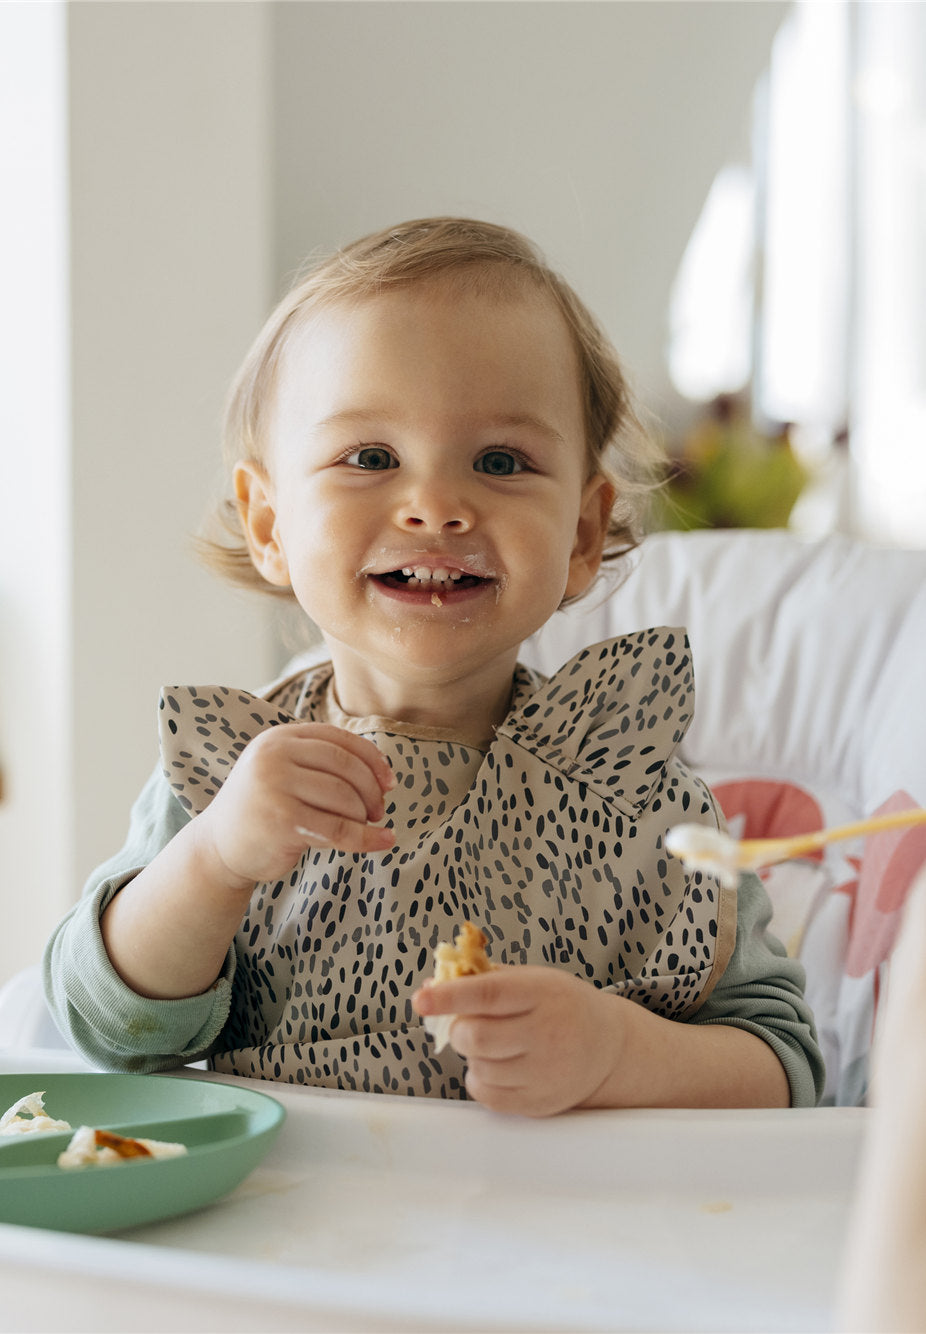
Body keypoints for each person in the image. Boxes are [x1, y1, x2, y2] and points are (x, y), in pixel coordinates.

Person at [44, 216, 824, 1115]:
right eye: (370, 457)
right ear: (268, 525)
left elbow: (788, 1070)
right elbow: (104, 1025)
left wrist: (619, 1054)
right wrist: (215, 859)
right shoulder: (230, 773)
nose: (436, 505)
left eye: (501, 460)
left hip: (558, 1237)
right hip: (290, 1229)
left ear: (578, 532)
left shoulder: (629, 785)